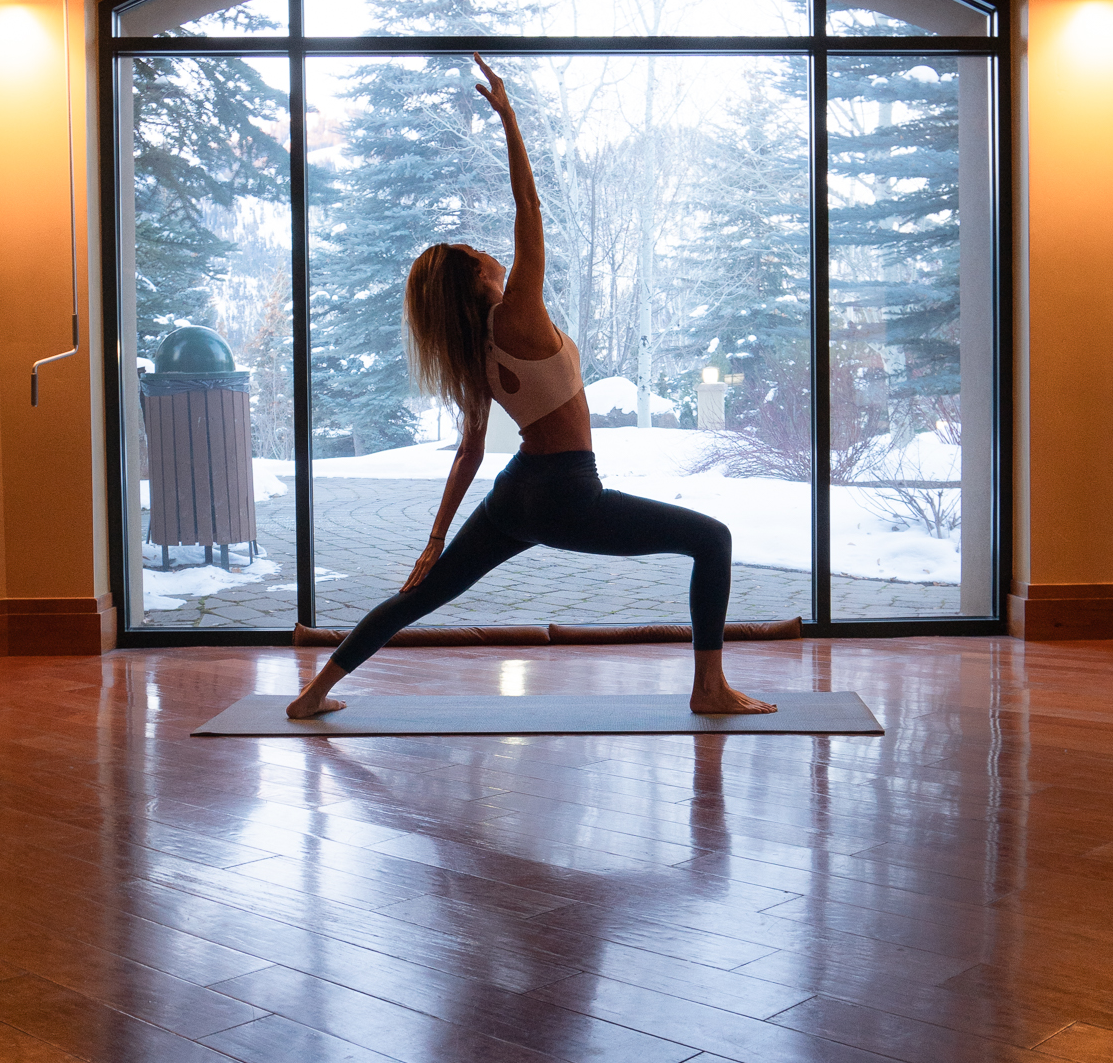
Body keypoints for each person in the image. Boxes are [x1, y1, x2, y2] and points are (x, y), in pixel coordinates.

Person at [288, 58, 776, 721]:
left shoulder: (472, 354)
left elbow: (468, 453)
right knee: (712, 539)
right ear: (476, 274)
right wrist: (510, 119)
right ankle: (709, 688)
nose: (488, 250)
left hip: (518, 491)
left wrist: (434, 543)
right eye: (473, 249)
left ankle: (314, 694)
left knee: (425, 596)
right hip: (569, 490)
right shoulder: (516, 311)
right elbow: (528, 205)